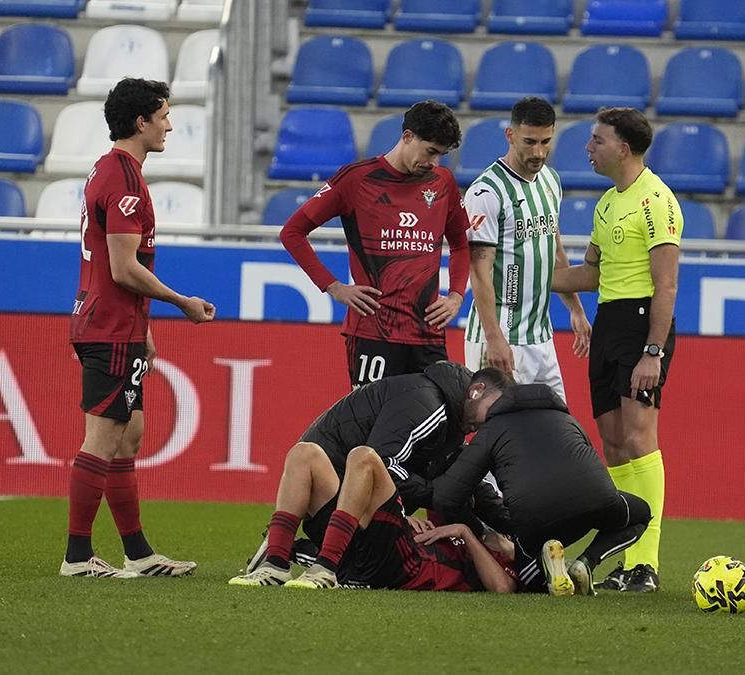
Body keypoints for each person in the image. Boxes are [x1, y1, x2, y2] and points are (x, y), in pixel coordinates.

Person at [64, 78, 216, 579]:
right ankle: (78, 557)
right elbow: (124, 267)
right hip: (108, 327)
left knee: (129, 437)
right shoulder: (125, 180)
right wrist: (182, 302)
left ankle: (138, 554)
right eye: (164, 115)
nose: (170, 124)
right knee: (102, 441)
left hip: (116, 323)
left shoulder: (108, 170)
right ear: (140, 122)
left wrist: (143, 325)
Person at [228, 362, 508, 587]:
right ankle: (276, 565)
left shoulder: (449, 417)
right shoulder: (429, 404)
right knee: (315, 454)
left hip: (339, 511)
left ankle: (312, 559)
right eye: (492, 411)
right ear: (477, 390)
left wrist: (518, 525)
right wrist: (429, 500)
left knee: (311, 453)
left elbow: (468, 482)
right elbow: (383, 462)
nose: (488, 423)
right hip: (352, 509)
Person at [551, 108, 682, 593]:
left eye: (596, 140)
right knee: (613, 442)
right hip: (609, 322)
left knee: (640, 437)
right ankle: (627, 558)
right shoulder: (607, 203)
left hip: (643, 325)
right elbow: (592, 274)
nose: (588, 147)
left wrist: (653, 352)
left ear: (623, 147)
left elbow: (666, 285)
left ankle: (645, 564)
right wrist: (529, 278)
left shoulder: (657, 202)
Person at [280, 100, 472, 387]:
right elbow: (292, 232)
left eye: (441, 155)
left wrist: (456, 295)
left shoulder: (442, 182)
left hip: (427, 335)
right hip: (373, 333)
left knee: (437, 426)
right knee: (370, 425)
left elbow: (460, 243)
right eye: (431, 152)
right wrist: (333, 287)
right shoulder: (356, 179)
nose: (434, 163)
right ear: (407, 137)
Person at [432, 372, 652, 596]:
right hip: (594, 501)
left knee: (533, 583)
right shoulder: (565, 418)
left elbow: (446, 496)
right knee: (641, 514)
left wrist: (481, 531)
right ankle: (586, 563)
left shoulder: (492, 430)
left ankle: (548, 563)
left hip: (535, 522)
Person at [462, 97, 591, 397]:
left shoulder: (550, 180)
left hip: (541, 337)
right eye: (529, 141)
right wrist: (494, 338)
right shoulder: (486, 192)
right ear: (510, 135)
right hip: (501, 336)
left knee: (559, 432)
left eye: (545, 141)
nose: (538, 152)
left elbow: (554, 249)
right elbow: (479, 271)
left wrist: (575, 308)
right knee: (499, 435)